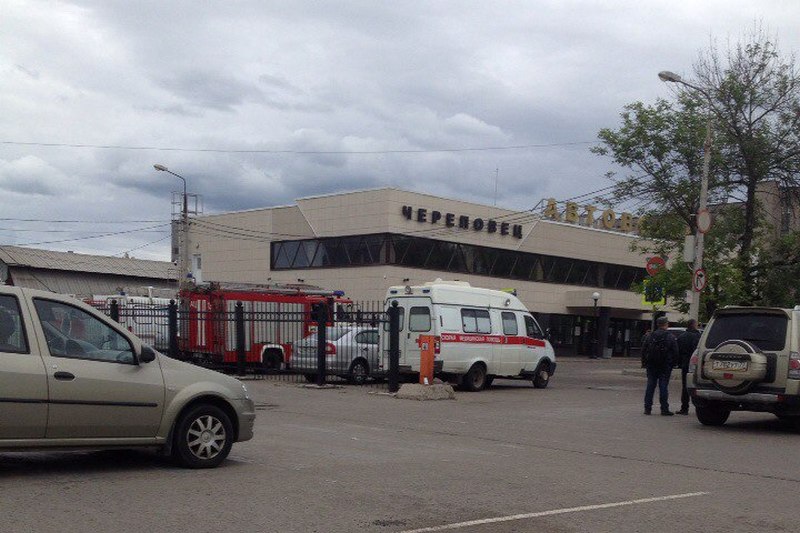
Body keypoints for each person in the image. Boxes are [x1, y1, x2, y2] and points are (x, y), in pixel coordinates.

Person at [642, 316, 678, 416]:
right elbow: (675, 351)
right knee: (663, 386)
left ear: (657, 324)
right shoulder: (670, 336)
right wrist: (674, 364)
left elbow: (644, 350)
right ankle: (664, 409)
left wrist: (644, 363)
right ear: (666, 324)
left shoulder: (650, 336)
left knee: (650, 386)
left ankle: (647, 408)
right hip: (665, 365)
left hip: (651, 364)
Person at [676, 319, 701, 415]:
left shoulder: (682, 337)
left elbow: (678, 351)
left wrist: (679, 363)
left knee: (685, 386)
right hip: (696, 365)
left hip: (685, 364)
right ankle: (699, 407)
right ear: (694, 325)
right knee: (698, 386)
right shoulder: (699, 337)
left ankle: (684, 408)